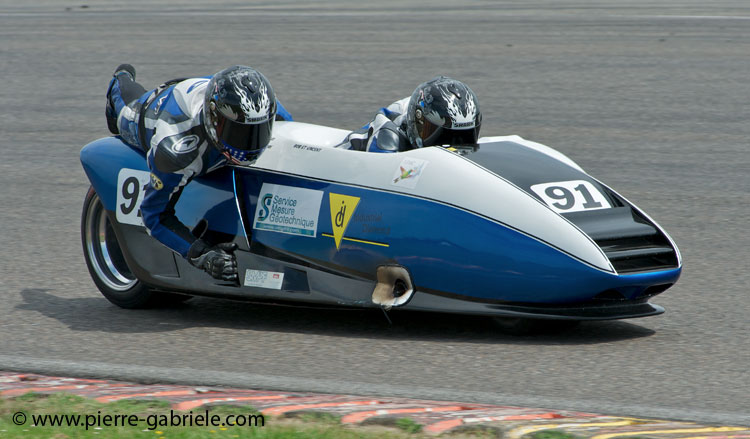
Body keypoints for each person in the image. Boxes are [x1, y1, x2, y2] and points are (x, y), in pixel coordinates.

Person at [105, 64, 292, 282]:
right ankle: (120, 79)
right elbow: (153, 215)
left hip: (206, 87)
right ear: (214, 120)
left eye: (257, 132)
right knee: (124, 108)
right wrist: (201, 254)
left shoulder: (267, 110)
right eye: (238, 133)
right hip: (155, 111)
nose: (250, 143)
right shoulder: (175, 149)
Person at [341, 76, 482, 152]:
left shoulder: (426, 111)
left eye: (464, 137)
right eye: (443, 137)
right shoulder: (387, 140)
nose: (454, 146)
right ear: (418, 124)